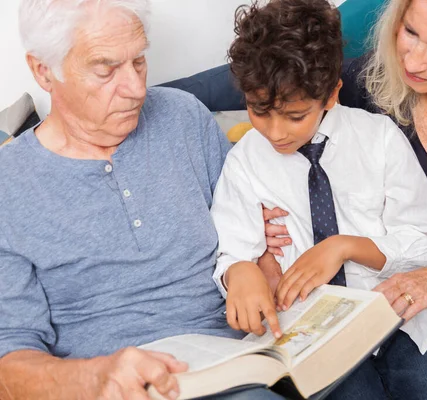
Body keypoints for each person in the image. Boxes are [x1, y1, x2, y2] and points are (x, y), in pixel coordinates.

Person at [164, 0, 427, 398]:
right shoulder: (365, 80)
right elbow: (270, 77)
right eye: (409, 32)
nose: (412, 60)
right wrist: (143, 95)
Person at [0, 1, 285, 399]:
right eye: (106, 69)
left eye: (139, 61)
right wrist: (96, 378)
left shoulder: (185, 117)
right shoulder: (8, 185)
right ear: (43, 71)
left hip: (237, 364)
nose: (136, 89)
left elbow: (256, 232)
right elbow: (8, 361)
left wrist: (265, 266)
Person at [210, 1, 427, 400]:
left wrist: (344, 248)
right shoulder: (245, 161)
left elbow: (424, 245)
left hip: (396, 318)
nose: (275, 132)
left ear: (331, 95)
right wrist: (239, 272)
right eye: (259, 111)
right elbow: (232, 248)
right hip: (311, 332)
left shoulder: (379, 138)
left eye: (294, 116)